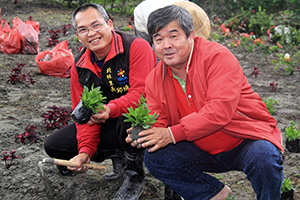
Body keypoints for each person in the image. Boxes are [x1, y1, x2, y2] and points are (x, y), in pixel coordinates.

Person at [126, 5, 284, 200]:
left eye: (173, 36)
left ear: (190, 35)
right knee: (157, 159)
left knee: (264, 157)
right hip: (201, 146)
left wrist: (170, 134)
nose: (166, 45)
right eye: (158, 39)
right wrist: (147, 132)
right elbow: (160, 119)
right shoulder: (154, 79)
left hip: (244, 139)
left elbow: (219, 111)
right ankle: (214, 194)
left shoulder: (217, 57)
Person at [44, 3, 156, 200]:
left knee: (128, 119)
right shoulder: (79, 66)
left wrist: (110, 109)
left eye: (96, 25)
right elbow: (84, 116)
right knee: (55, 146)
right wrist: (85, 152)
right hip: (106, 121)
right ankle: (116, 154)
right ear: (78, 36)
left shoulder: (136, 47)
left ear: (110, 24)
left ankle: (134, 176)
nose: (91, 33)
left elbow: (142, 93)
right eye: (83, 29)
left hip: (143, 120)